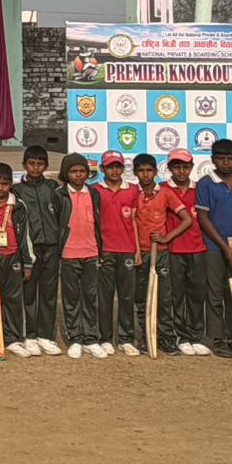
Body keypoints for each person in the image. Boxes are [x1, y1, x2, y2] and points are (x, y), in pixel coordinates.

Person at [196, 139, 232, 359]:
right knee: (215, 292)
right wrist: (222, 245)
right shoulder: (206, 183)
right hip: (214, 247)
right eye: (221, 158)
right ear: (213, 160)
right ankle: (218, 338)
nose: (226, 163)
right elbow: (203, 217)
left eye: (230, 159)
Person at [129, 153, 192, 356]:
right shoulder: (133, 193)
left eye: (149, 170)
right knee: (142, 297)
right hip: (140, 253)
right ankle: (146, 335)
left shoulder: (165, 193)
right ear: (135, 172)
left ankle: (166, 337)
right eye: (141, 171)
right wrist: (136, 250)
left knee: (164, 297)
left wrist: (166, 237)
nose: (145, 175)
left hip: (161, 253)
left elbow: (187, 219)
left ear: (156, 172)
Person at [14, 146, 63, 356]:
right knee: (29, 293)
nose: (35, 168)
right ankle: (30, 335)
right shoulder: (17, 191)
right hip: (30, 249)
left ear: (46, 166)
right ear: (24, 165)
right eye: (32, 164)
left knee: (49, 293)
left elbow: (61, 215)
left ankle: (46, 336)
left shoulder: (52, 187)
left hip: (51, 246)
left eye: (40, 164)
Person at [161, 149, 211, 357]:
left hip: (197, 249)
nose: (181, 171)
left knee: (197, 294)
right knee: (176, 295)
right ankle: (180, 336)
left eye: (185, 167)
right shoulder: (162, 189)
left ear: (191, 167)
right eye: (176, 167)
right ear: (169, 168)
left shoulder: (200, 189)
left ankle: (195, 336)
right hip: (173, 250)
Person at [93, 151, 141, 357]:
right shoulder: (95, 190)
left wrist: (137, 250)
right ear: (102, 169)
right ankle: (105, 338)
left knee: (127, 297)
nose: (114, 170)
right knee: (104, 297)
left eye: (118, 166)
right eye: (110, 166)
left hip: (127, 250)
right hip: (105, 251)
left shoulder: (133, 189)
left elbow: (135, 221)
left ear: (123, 168)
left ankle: (125, 338)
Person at [57, 153, 105, 359]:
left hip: (91, 252)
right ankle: (75, 339)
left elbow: (98, 222)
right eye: (73, 171)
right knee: (71, 299)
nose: (78, 175)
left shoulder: (93, 193)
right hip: (68, 253)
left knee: (90, 297)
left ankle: (91, 339)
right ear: (66, 173)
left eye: (82, 171)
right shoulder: (59, 194)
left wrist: (100, 249)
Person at [0, 162, 34, 358]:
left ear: (11, 183)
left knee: (13, 300)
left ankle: (13, 339)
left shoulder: (19, 206)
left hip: (13, 256)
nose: (0, 188)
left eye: (4, 184)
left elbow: (26, 235)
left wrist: (27, 262)